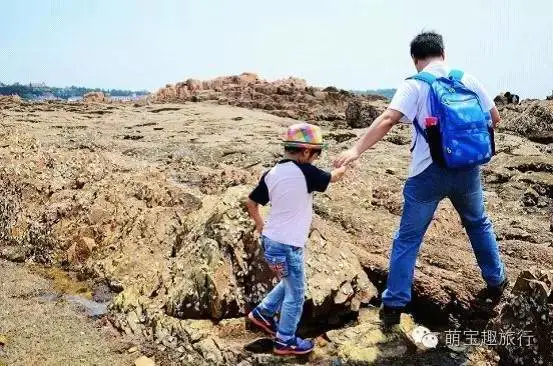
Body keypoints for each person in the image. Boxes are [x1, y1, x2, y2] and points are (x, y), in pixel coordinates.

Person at [334, 31, 508, 327]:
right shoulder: (468, 79)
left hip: (427, 174)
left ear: (415, 60)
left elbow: (388, 119)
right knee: (478, 224)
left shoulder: (414, 85)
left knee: (408, 238)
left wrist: (356, 149)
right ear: (444, 53)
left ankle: (394, 304)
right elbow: (495, 119)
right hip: (467, 171)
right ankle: (496, 282)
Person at [246, 123, 347, 355]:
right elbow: (335, 177)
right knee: (296, 293)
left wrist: (261, 225)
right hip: (288, 244)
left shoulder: (271, 173)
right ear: (305, 152)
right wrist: (345, 164)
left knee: (288, 281)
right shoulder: (306, 171)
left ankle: (263, 313)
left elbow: (251, 203)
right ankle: (285, 340)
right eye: (315, 155)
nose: (315, 160)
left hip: (271, 242)